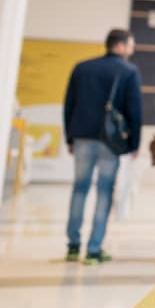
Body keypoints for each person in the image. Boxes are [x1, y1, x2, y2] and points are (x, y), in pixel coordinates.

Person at [62, 28, 142, 265]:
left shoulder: (82, 67)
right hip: (111, 141)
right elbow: (134, 110)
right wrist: (134, 143)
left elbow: (69, 104)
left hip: (82, 137)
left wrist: (70, 137)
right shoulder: (129, 71)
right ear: (119, 46)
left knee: (79, 189)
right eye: (130, 45)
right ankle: (94, 249)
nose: (132, 50)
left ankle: (73, 246)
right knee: (104, 192)